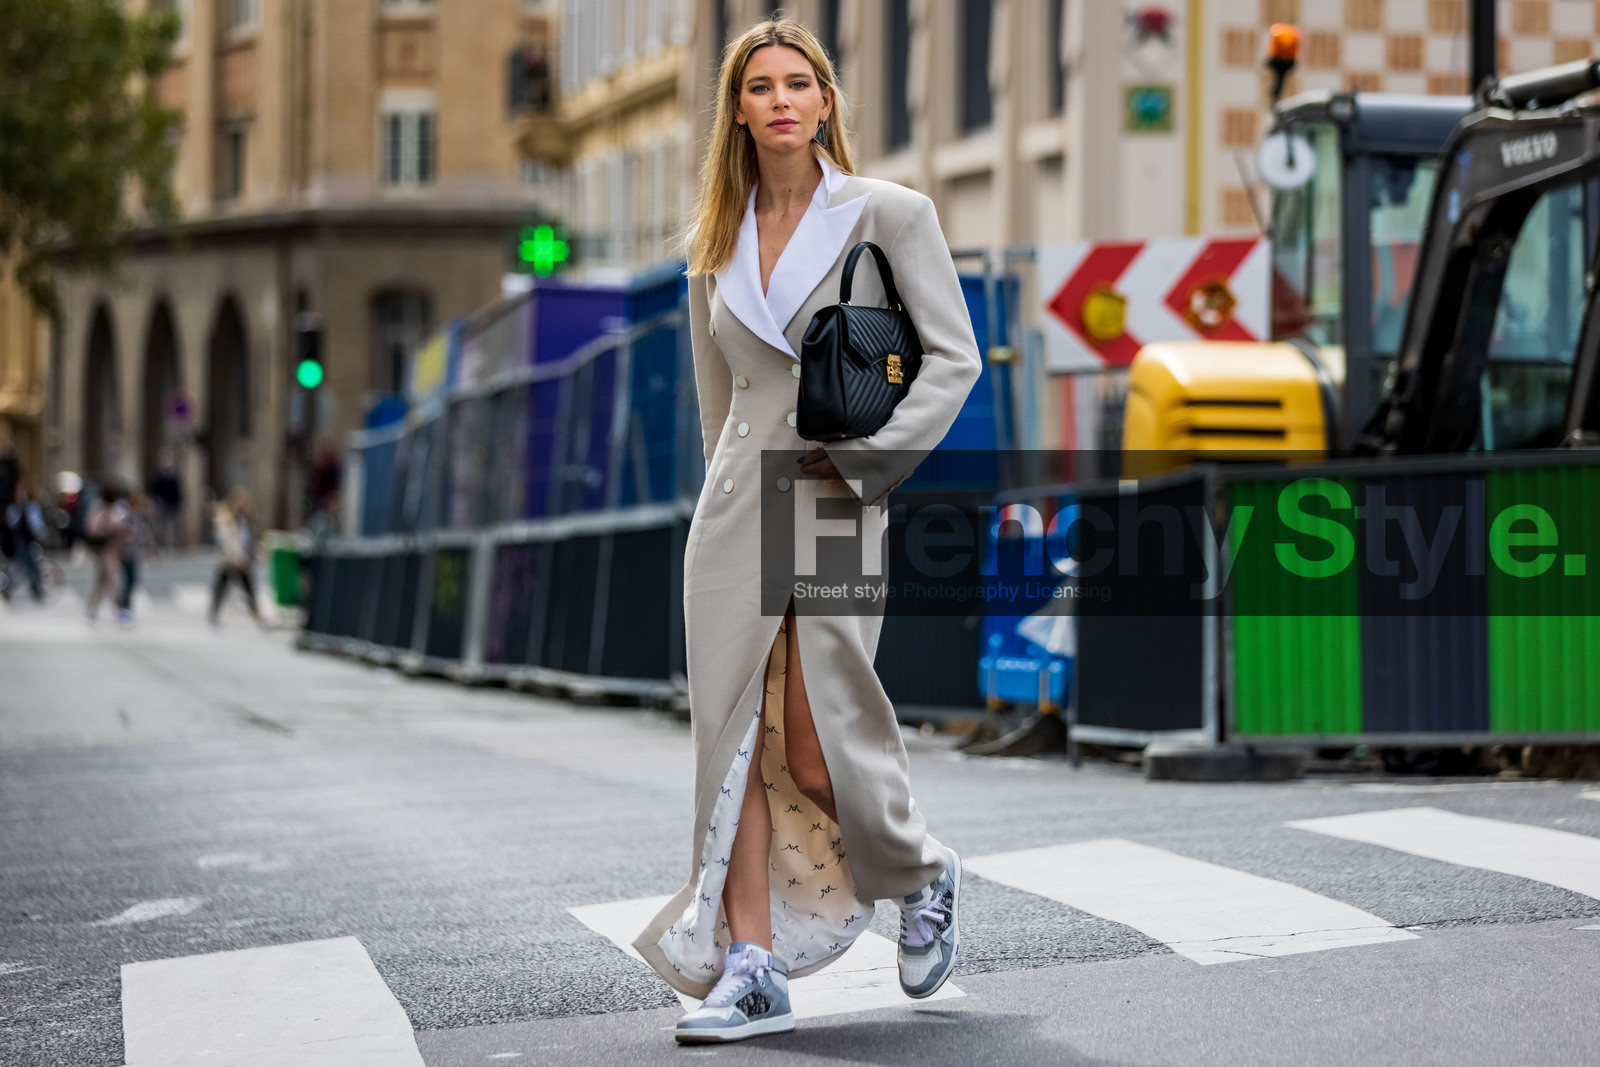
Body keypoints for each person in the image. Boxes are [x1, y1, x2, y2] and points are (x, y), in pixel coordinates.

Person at [632, 17, 981, 1045]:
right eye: (760, 86)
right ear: (737, 111)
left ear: (825, 101)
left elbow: (954, 360)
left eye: (798, 83)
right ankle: (750, 966)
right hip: (736, 510)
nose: (780, 100)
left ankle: (922, 869)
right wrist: (723, 503)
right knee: (732, 744)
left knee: (823, 739)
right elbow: (717, 409)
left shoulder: (889, 213)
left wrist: (873, 462)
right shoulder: (713, 245)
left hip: (834, 497)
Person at [209, 489, 261, 625]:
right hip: (229, 561)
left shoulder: (246, 520)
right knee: (221, 587)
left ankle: (256, 613)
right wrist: (239, 558)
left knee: (248, 587)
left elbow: (250, 540)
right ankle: (214, 613)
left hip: (242, 561)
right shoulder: (226, 519)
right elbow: (227, 542)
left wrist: (251, 555)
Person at [83, 484, 131, 623]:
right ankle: (101, 609)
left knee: (109, 581)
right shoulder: (99, 509)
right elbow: (93, 529)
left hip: (111, 551)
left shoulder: (116, 510)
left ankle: (109, 609)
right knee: (108, 581)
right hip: (103, 550)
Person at [116, 490, 156, 625]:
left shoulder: (137, 517)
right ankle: (122, 607)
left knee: (131, 581)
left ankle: (125, 607)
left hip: (132, 553)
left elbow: (144, 535)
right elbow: (120, 533)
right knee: (124, 581)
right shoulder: (124, 515)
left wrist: (151, 551)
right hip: (123, 553)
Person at [147, 449, 183, 549]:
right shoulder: (158, 474)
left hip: (172, 504)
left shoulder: (173, 474)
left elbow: (178, 491)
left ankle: (169, 545)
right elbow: (153, 489)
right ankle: (160, 544)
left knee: (171, 526)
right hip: (161, 503)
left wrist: (179, 504)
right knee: (160, 525)